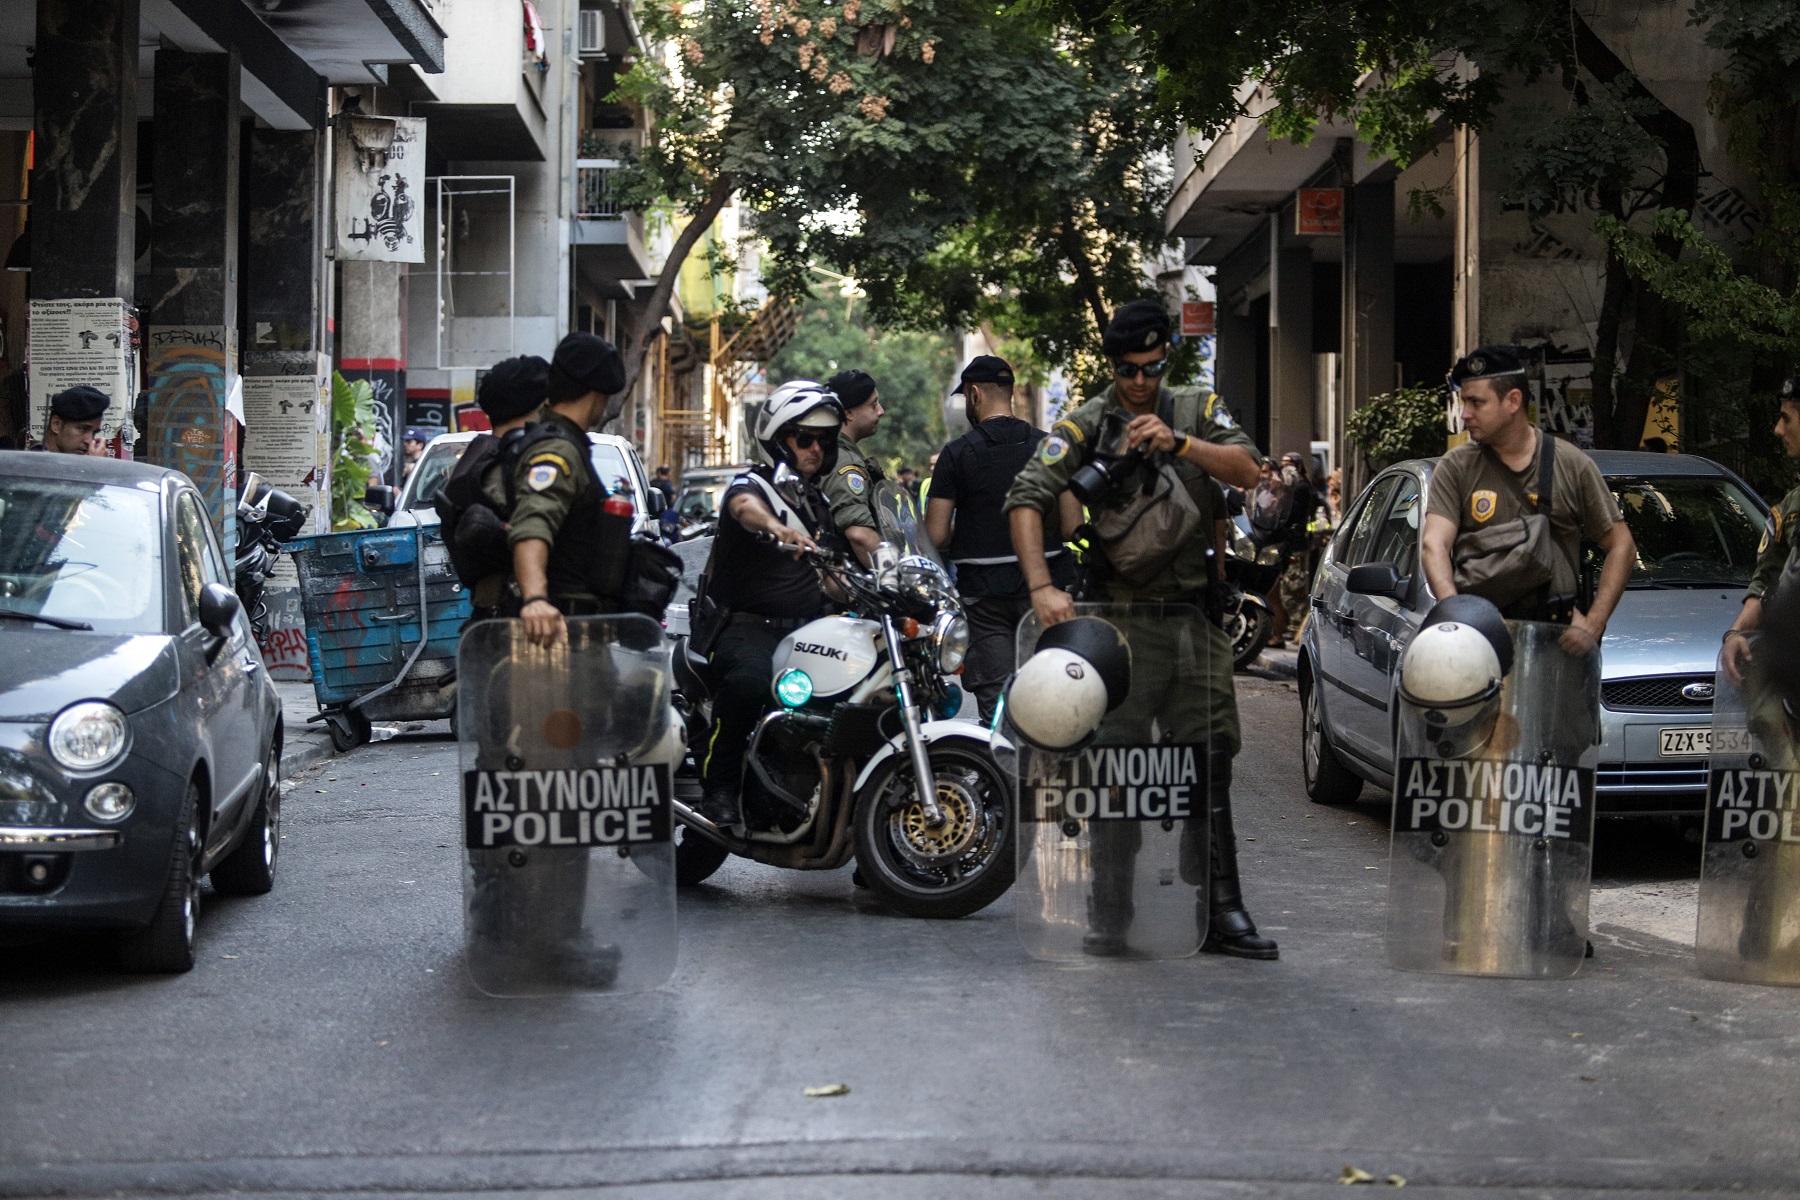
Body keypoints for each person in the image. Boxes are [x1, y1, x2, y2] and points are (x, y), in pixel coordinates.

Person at [1004, 297, 1277, 960]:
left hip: (1193, 617)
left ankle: (1221, 909)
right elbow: (1025, 497)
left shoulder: (1196, 409)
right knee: (1115, 767)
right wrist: (1041, 587)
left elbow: (1250, 471)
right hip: (1117, 622)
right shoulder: (1085, 423)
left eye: (1152, 368)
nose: (1140, 382)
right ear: (1112, 365)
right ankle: (1109, 908)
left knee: (1211, 758)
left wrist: (1178, 442)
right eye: (1129, 369)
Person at [696, 382, 846, 827]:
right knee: (748, 682)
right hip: (747, 628)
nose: (816, 448)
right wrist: (778, 530)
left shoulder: (816, 500)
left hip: (804, 630)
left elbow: (831, 576)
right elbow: (745, 508)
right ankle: (719, 786)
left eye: (825, 440)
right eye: (805, 438)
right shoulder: (753, 484)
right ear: (780, 439)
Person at [1420, 345, 1635, 656]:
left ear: (1513, 401)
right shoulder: (1456, 467)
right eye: (1464, 402)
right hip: (1481, 640)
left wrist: (1594, 624)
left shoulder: (1571, 464)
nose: (1465, 413)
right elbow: (1434, 545)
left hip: (1557, 641)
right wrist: (1457, 620)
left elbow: (1622, 545)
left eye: (1477, 402)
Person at [925, 354, 1080, 722]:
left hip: (984, 599)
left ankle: (1005, 776)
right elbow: (1074, 524)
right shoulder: (1050, 447)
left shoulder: (955, 455)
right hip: (1047, 592)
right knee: (1052, 700)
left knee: (1000, 709)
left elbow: (935, 533)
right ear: (1010, 392)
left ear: (974, 394)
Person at [509, 332, 630, 649]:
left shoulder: (566, 443)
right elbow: (533, 522)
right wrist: (536, 598)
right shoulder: (558, 452)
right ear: (597, 395)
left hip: (575, 633)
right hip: (558, 636)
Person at [436, 355, 551, 620]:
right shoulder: (505, 466)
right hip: (519, 620)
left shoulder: (476, 458)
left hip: (494, 616)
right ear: (536, 407)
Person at [1722, 376, 1800, 685]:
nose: (1778, 430)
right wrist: (1735, 634)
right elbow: (1767, 582)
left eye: (1786, 418)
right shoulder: (1790, 508)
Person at [822, 368, 886, 564]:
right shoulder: (846, 462)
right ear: (848, 413)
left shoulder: (833, 452)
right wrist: (895, 579)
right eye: (873, 405)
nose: (881, 410)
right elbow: (859, 534)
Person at [1268, 451, 1317, 648]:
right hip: (1286, 544)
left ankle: (1297, 630)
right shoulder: (1290, 487)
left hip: (1296, 544)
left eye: (1288, 463)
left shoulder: (1302, 487)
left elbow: (1293, 516)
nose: (1284, 467)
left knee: (1294, 588)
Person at [39, 386, 109, 454]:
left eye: (94, 433)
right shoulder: (35, 463)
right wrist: (94, 463)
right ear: (56, 425)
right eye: (83, 429)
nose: (89, 441)